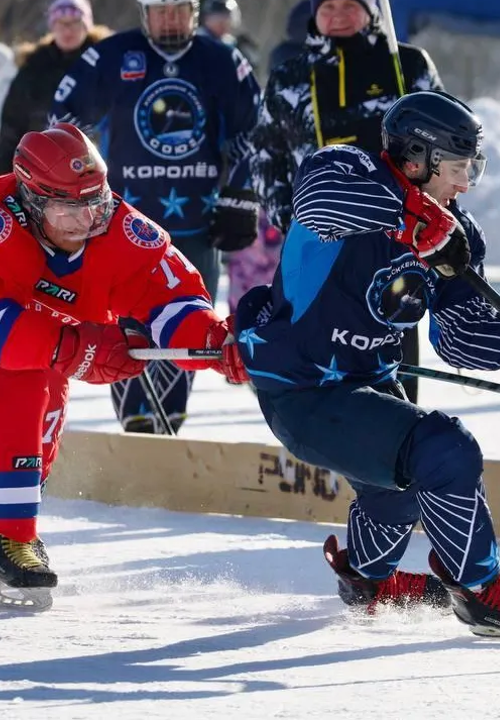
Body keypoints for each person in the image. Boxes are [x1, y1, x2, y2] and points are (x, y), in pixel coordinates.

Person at [235, 91, 500, 639]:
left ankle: (367, 579)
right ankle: (480, 592)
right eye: (456, 168)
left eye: (474, 167)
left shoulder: (457, 234)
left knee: (396, 488)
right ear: (414, 159)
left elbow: (458, 336)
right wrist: (410, 216)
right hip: (303, 390)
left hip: (369, 387)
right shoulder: (345, 170)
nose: (465, 184)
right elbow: (316, 205)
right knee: (445, 448)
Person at [0, 123, 246, 605]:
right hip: (25, 353)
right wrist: (75, 348)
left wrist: (217, 344)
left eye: (94, 202)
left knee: (42, 418)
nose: (85, 220)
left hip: (41, 357)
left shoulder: (123, 230)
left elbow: (172, 298)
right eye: (67, 208)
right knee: (26, 379)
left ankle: (14, 531)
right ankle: (12, 534)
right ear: (29, 200)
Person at [49, 0, 261, 435]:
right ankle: (135, 423)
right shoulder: (112, 54)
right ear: (145, 13)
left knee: (193, 318)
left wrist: (240, 194)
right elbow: (63, 119)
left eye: (179, 10)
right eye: (160, 10)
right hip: (119, 225)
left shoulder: (221, 58)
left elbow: (254, 128)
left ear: (194, 12)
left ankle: (171, 424)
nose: (170, 20)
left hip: (198, 222)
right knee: (126, 324)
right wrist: (82, 189)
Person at [251, 0, 442, 404]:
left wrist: (432, 204)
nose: (337, 14)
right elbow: (266, 153)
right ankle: (328, 431)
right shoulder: (291, 73)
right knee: (319, 339)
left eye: (349, 5)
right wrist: (291, 218)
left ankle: (402, 431)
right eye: (328, 6)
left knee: (392, 334)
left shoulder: (406, 64)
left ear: (372, 11)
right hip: (318, 239)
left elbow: (443, 141)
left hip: (395, 235)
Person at [0, 0, 111, 174]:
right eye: (61, 23)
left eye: (75, 23)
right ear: (52, 26)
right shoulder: (33, 68)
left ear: (87, 25)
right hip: (43, 165)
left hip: (99, 163)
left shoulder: (107, 61)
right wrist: (6, 174)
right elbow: (11, 127)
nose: (68, 30)